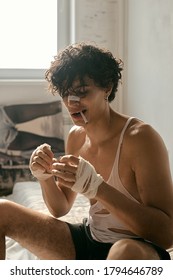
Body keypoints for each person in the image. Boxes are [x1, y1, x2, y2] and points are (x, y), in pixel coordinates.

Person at [0, 42, 173, 260]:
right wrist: (44, 177)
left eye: (81, 92)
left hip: (137, 250)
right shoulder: (76, 136)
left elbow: (166, 235)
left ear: (107, 88)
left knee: (123, 251)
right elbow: (60, 208)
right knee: (1, 210)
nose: (71, 102)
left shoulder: (140, 138)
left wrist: (98, 188)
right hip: (91, 241)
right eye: (65, 93)